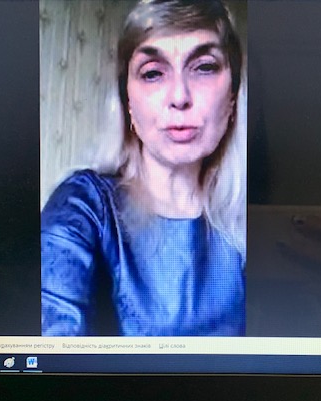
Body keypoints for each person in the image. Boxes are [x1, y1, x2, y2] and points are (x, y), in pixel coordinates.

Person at [41, 0, 246, 336]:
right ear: (127, 101)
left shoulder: (252, 215)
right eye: (153, 73)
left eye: (204, 68)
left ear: (233, 93)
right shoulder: (84, 207)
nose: (179, 96)